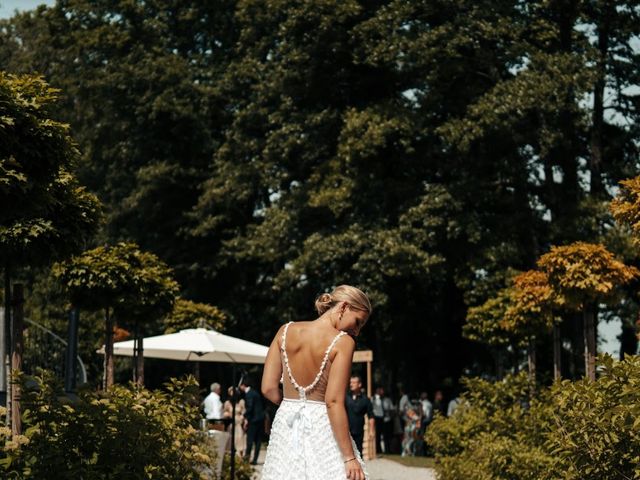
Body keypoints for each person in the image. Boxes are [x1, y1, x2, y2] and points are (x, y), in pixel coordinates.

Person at [260, 285, 372, 480]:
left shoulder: (285, 331)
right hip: (323, 426)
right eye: (358, 322)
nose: (357, 331)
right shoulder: (343, 343)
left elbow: (268, 388)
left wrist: (292, 405)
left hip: (286, 423)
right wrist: (348, 457)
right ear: (344, 307)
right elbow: (334, 402)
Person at [346, 375, 375, 457]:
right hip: (346, 431)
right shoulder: (345, 397)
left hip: (358, 431)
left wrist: (371, 431)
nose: (351, 384)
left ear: (359, 384)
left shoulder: (365, 399)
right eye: (350, 382)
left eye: (354, 382)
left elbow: (371, 416)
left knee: (358, 454)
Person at [240, 376, 265, 465]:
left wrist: (244, 416)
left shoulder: (249, 394)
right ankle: (254, 459)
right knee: (258, 441)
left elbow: (250, 408)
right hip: (260, 419)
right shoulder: (255, 392)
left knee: (250, 440)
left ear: (243, 385)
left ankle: (246, 459)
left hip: (253, 420)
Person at [223, 386, 246, 457]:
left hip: (239, 424)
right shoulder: (227, 403)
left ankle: (240, 458)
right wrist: (227, 415)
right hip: (231, 424)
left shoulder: (241, 402)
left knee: (239, 440)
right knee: (230, 441)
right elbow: (224, 413)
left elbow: (244, 412)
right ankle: (229, 458)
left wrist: (243, 418)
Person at [371, 386, 392, 454]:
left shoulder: (387, 400)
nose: (380, 392)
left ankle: (387, 450)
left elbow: (391, 410)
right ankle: (378, 450)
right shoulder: (373, 399)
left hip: (385, 419)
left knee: (386, 436)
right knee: (377, 435)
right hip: (377, 418)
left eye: (381, 391)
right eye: (379, 391)